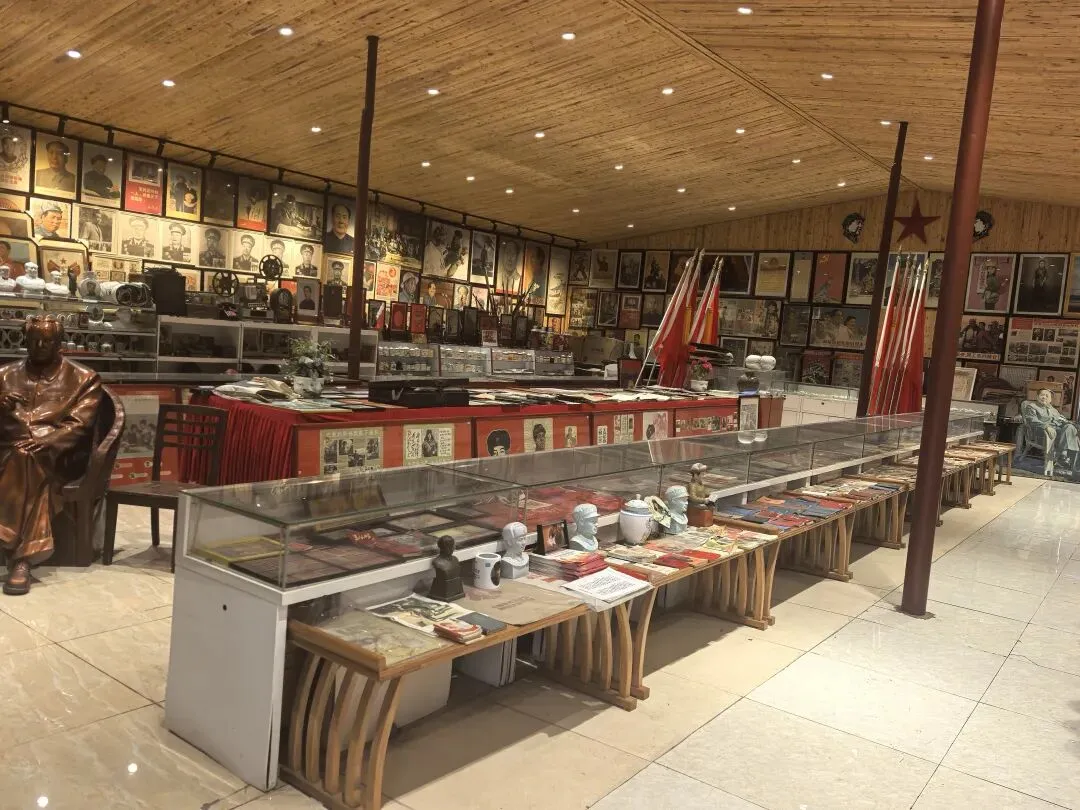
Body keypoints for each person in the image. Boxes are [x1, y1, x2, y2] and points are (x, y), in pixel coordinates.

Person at [0, 314, 102, 595]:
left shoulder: (83, 378)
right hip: (7, 450)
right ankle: (21, 552)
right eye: (33, 340)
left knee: (26, 458)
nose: (39, 346)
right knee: (23, 457)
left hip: (60, 455)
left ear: (59, 343)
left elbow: (79, 425)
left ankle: (19, 557)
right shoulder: (4, 375)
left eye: (46, 341)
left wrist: (48, 441)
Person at [1024, 388, 1080, 476]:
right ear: (1037, 397)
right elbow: (1032, 420)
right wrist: (1046, 426)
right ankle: (1064, 457)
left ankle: (1064, 455)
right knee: (1071, 436)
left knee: (1071, 428)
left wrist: (1071, 424)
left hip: (1057, 434)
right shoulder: (1032, 407)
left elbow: (1061, 420)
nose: (1044, 397)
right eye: (1042, 395)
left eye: (1047, 396)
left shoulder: (1053, 410)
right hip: (1041, 433)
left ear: (1050, 400)